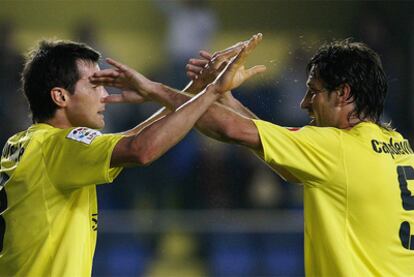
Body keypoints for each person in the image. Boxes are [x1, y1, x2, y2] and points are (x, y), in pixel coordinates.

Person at [91, 37, 414, 276]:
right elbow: (264, 139)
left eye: (313, 91)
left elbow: (232, 130)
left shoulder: (335, 148)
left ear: (343, 94)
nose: (304, 103)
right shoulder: (398, 146)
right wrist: (222, 95)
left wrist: (156, 91)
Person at [0, 36, 263, 276]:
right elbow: (141, 150)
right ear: (60, 96)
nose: (105, 95)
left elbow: (132, 138)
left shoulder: (25, 141)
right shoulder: (58, 147)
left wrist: (195, 88)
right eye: (95, 86)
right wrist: (214, 92)